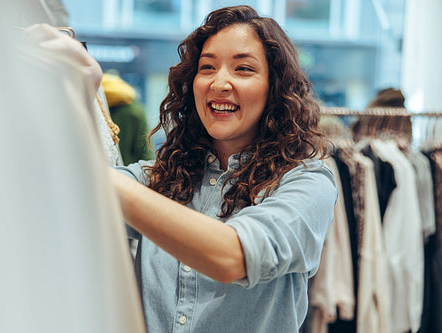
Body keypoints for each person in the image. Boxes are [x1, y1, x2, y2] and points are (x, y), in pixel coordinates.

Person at [110, 5, 337, 332]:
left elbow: (233, 256)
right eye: (207, 67)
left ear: (275, 88)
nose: (220, 82)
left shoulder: (307, 183)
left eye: (243, 68)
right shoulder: (162, 175)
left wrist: (106, 183)